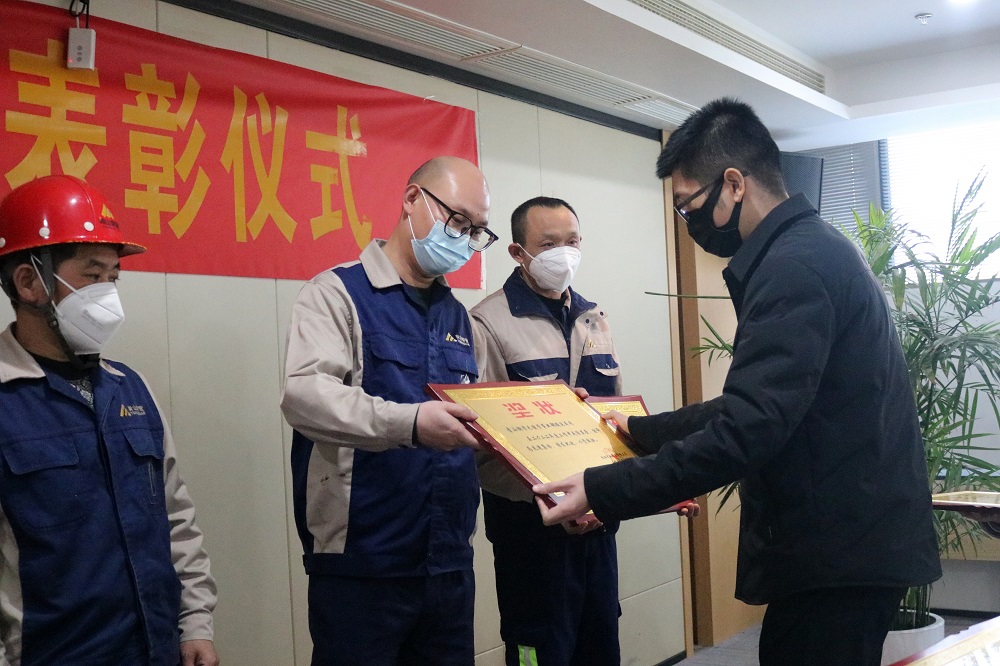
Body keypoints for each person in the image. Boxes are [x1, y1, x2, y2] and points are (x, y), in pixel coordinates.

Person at [533, 98, 942, 666]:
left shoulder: (793, 267)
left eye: (687, 206)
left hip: (839, 555)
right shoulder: (810, 248)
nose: (688, 223)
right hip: (848, 547)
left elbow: (748, 428)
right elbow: (755, 405)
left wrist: (604, 488)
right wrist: (639, 429)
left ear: (733, 184)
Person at [280, 156, 497, 665]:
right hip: (362, 564)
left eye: (476, 231)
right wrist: (412, 423)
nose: (464, 240)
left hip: (447, 561)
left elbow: (485, 426)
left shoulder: (458, 318)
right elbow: (305, 396)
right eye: (457, 220)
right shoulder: (336, 294)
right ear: (411, 199)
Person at [0, 175, 218, 666]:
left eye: (113, 277)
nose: (107, 293)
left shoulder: (130, 389)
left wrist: (195, 624)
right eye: (92, 274)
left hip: (156, 652)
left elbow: (176, 518)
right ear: (29, 282)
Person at [471, 197, 623, 666]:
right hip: (530, 533)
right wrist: (555, 500)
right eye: (549, 244)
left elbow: (614, 422)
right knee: (538, 650)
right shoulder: (487, 323)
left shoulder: (593, 318)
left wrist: (611, 492)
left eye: (572, 241)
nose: (564, 253)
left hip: (597, 521)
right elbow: (482, 445)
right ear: (518, 252)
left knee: (600, 645)